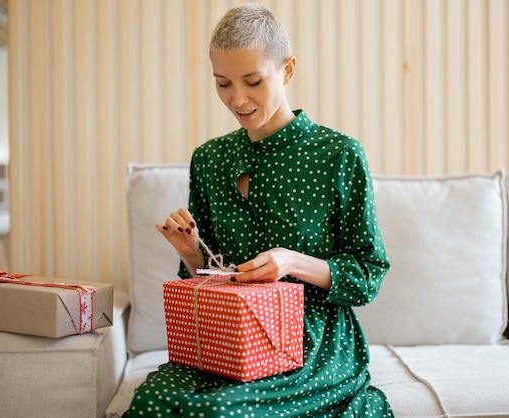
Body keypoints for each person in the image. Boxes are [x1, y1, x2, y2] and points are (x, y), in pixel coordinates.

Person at [125, 3, 392, 417]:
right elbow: (208, 279)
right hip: (227, 340)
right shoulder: (210, 159)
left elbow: (368, 275)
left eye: (253, 81)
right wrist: (191, 251)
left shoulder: (338, 154)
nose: (238, 99)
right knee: (151, 403)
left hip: (311, 343)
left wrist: (291, 262)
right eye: (223, 84)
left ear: (286, 71)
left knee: (221, 413)